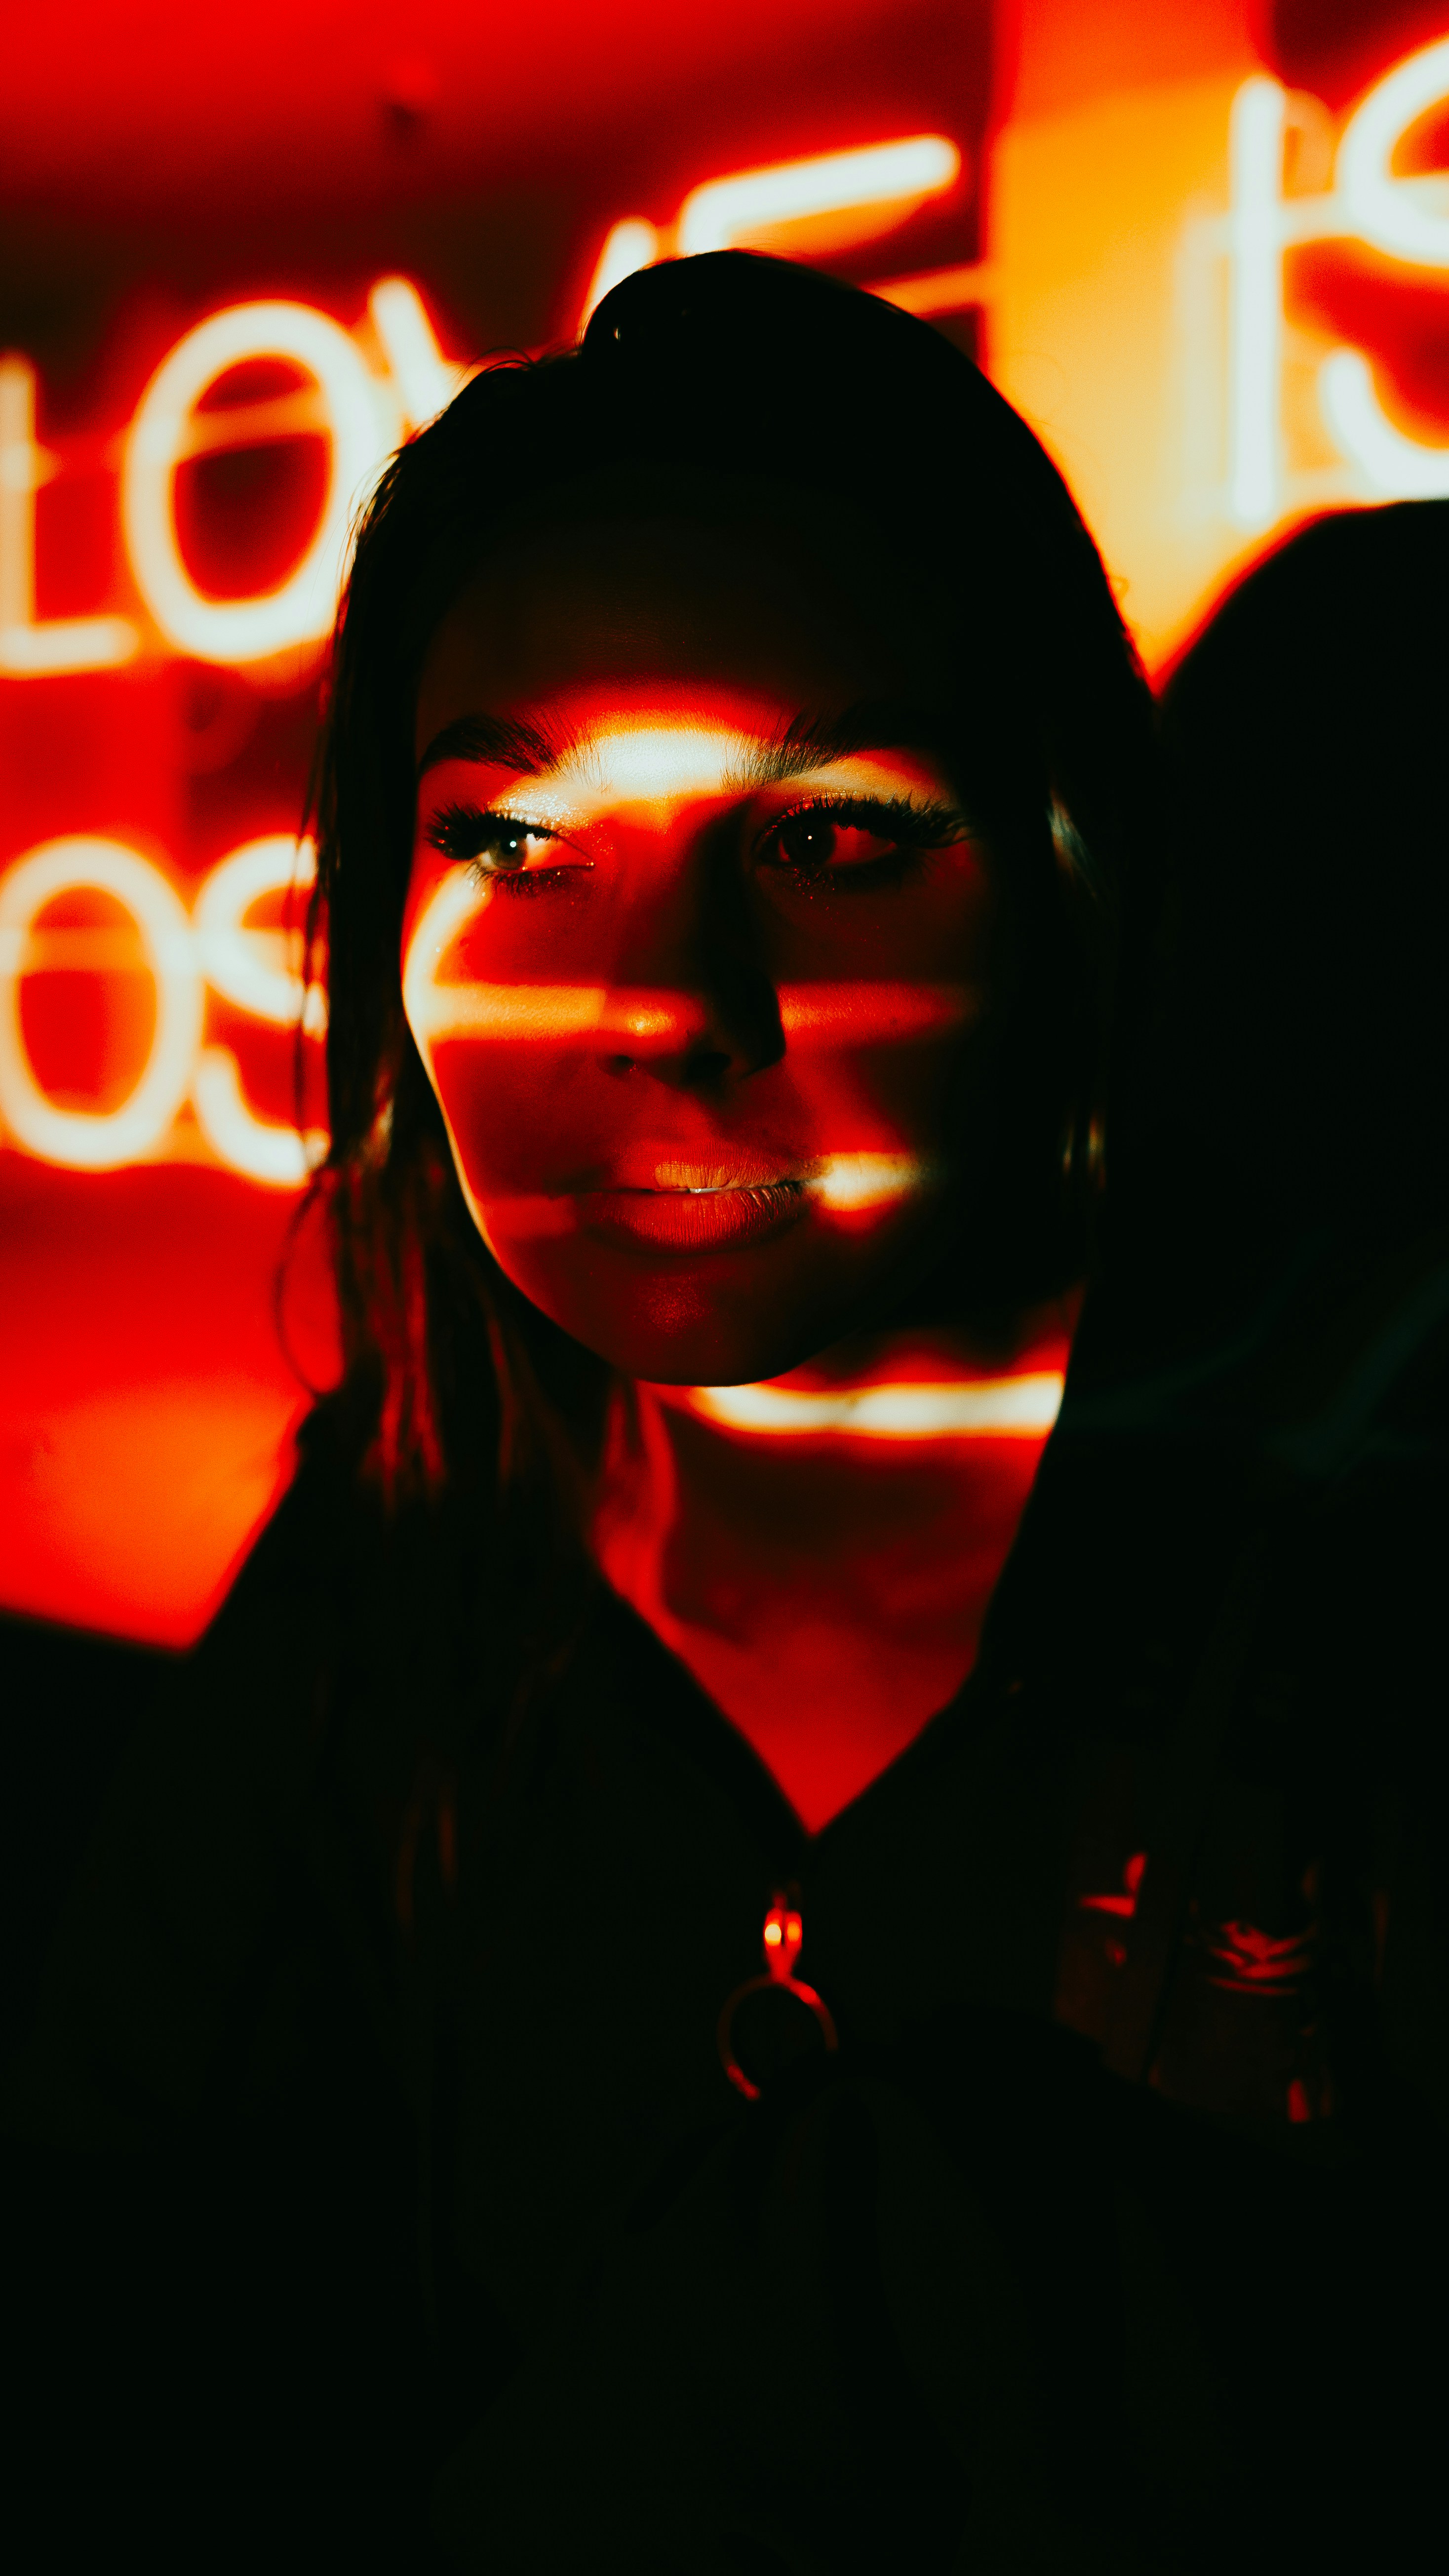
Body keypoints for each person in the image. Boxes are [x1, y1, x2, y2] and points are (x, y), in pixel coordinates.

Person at [3, 262, 1439, 2571]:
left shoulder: (1351, 1592)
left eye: (828, 839)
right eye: (510, 846)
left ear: (1077, 893)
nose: (658, 1007)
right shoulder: (408, 1550)